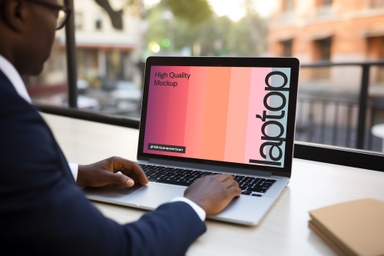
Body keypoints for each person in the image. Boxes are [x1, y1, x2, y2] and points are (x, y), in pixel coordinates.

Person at [0, 0, 241, 255]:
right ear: (17, 11)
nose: (58, 27)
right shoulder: (10, 118)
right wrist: (195, 203)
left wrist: (79, 173)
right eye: (58, 13)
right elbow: (122, 249)